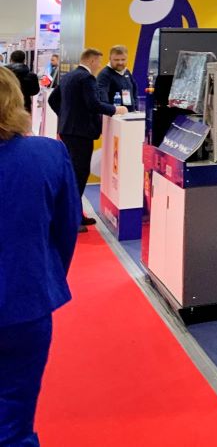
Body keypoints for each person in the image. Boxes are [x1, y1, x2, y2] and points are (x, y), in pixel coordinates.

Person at [0, 67, 81, 447]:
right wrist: (43, 277)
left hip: (25, 298)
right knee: (15, 419)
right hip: (25, 301)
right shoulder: (48, 155)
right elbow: (65, 230)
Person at [48, 48, 128, 232]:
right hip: (81, 133)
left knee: (75, 173)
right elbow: (93, 104)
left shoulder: (69, 76)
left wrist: (66, 117)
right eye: (98, 62)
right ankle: (72, 219)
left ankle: (76, 215)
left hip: (69, 131)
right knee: (79, 174)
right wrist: (116, 109)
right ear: (92, 61)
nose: (99, 65)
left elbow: (53, 99)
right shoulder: (86, 78)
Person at [96, 45, 139, 111]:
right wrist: (112, 111)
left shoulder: (126, 72)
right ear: (110, 58)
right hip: (114, 115)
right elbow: (102, 99)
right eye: (116, 60)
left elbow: (134, 90)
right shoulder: (104, 75)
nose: (120, 62)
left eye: (123, 59)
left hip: (130, 113)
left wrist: (135, 107)